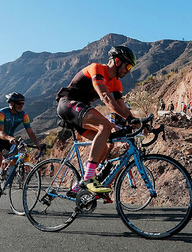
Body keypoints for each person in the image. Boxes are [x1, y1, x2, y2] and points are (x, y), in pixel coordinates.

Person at [56, 45, 136, 194]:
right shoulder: (97, 69)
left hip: (80, 111)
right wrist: (129, 119)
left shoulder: (116, 83)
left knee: (105, 146)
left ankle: (78, 188)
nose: (129, 70)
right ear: (117, 61)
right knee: (105, 126)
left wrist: (139, 122)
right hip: (67, 104)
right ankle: (88, 179)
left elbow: (123, 108)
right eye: (128, 65)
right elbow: (106, 98)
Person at [0, 92, 42, 203]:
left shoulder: (23, 115)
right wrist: (10, 139)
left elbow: (30, 132)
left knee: (19, 154)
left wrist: (38, 144)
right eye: (19, 103)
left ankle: (6, 171)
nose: (21, 105)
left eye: (23, 103)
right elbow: (0, 132)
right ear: (11, 103)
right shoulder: (2, 113)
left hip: (10, 138)